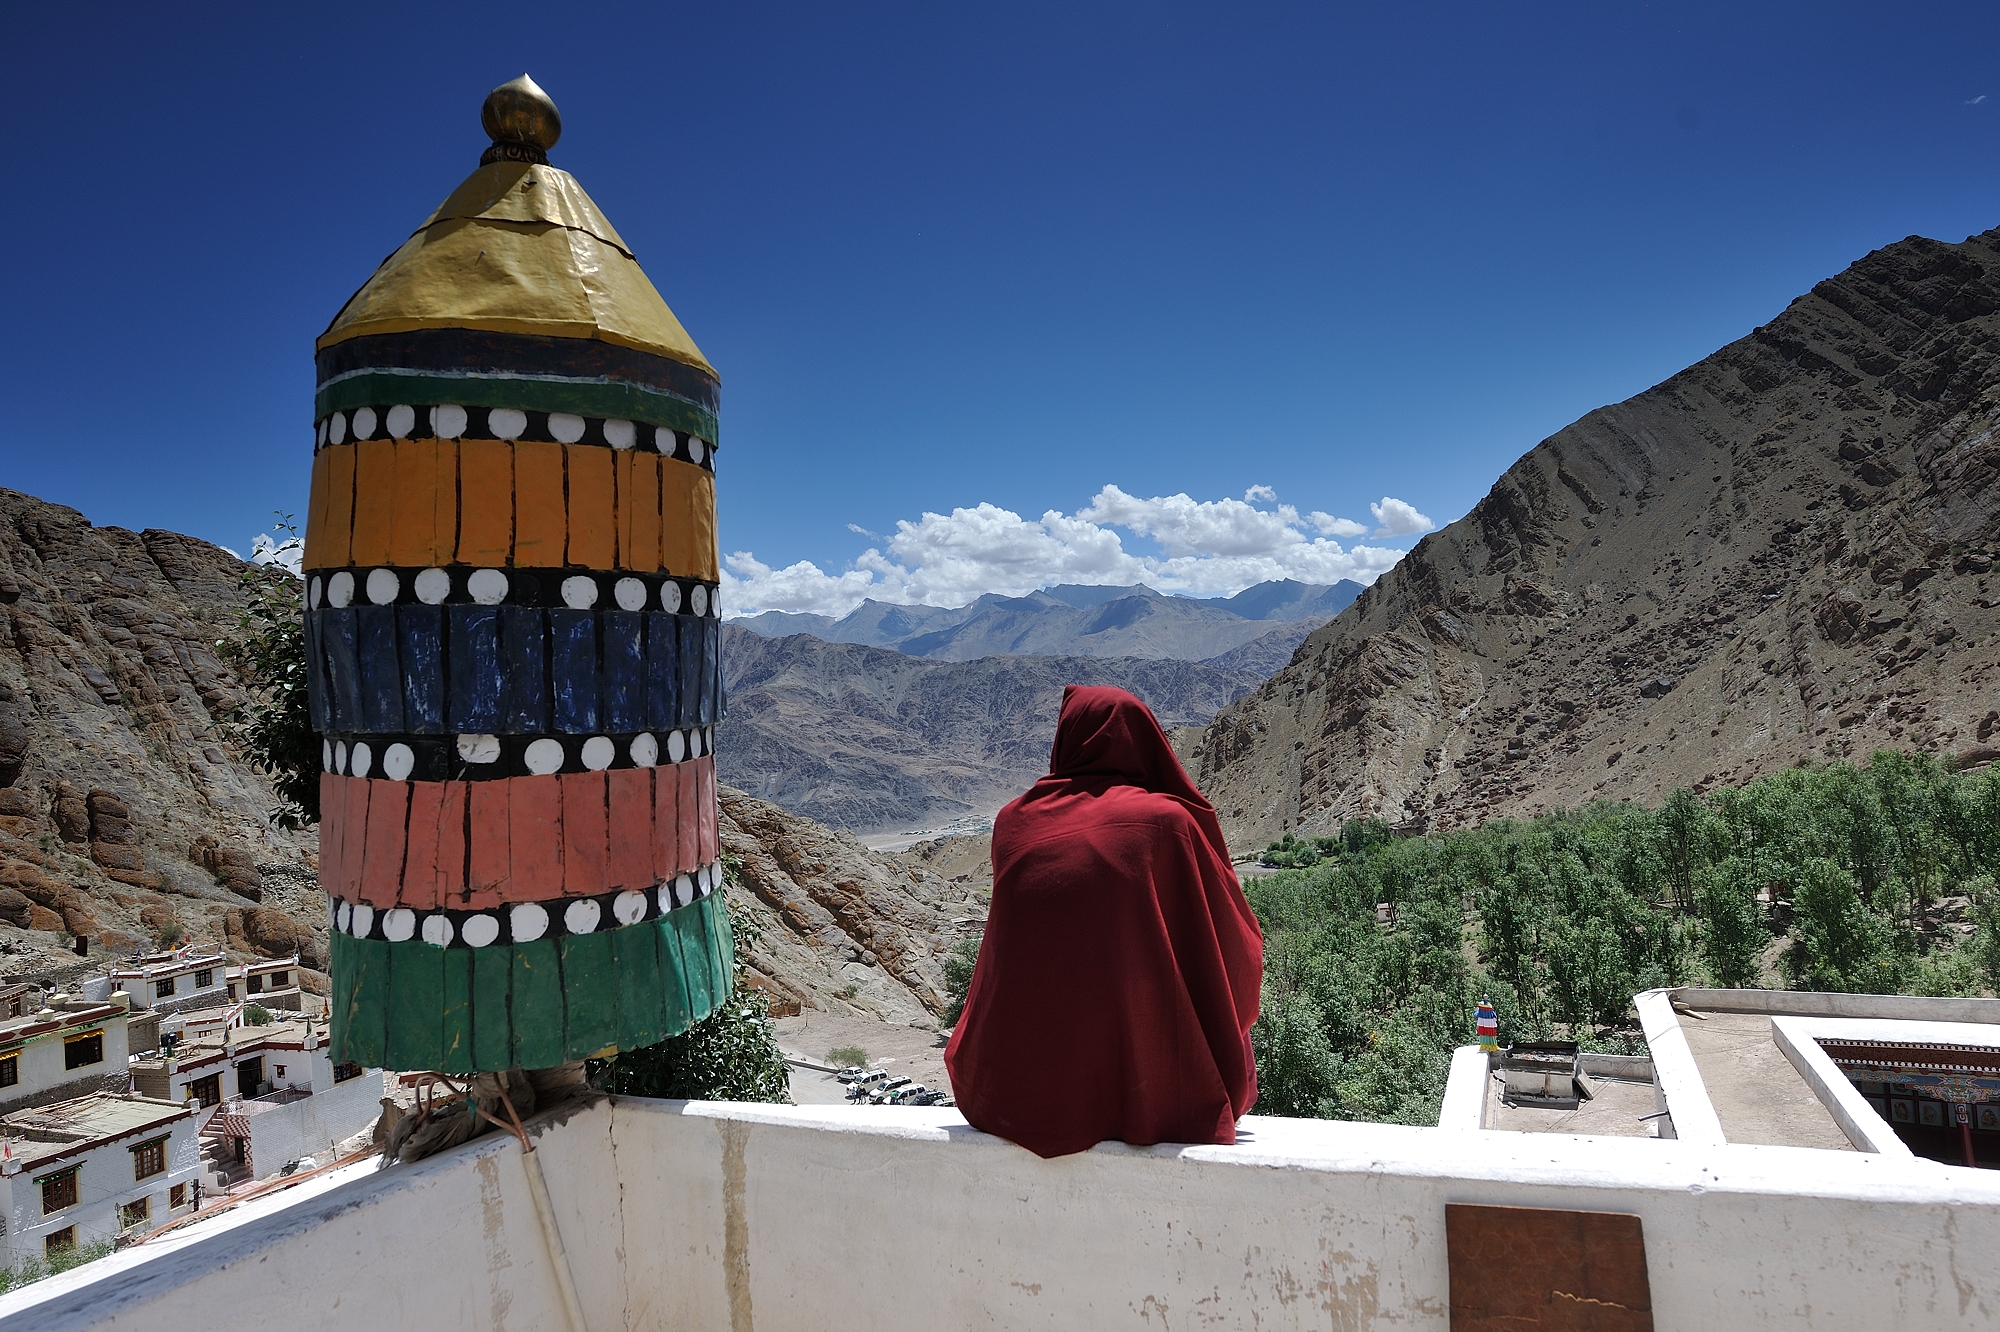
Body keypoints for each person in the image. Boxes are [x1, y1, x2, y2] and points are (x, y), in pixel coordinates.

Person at [944, 685, 1263, 1158]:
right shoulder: (1165, 823)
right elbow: (1235, 950)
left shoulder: (1013, 823)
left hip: (1011, 1092)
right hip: (1154, 1093)